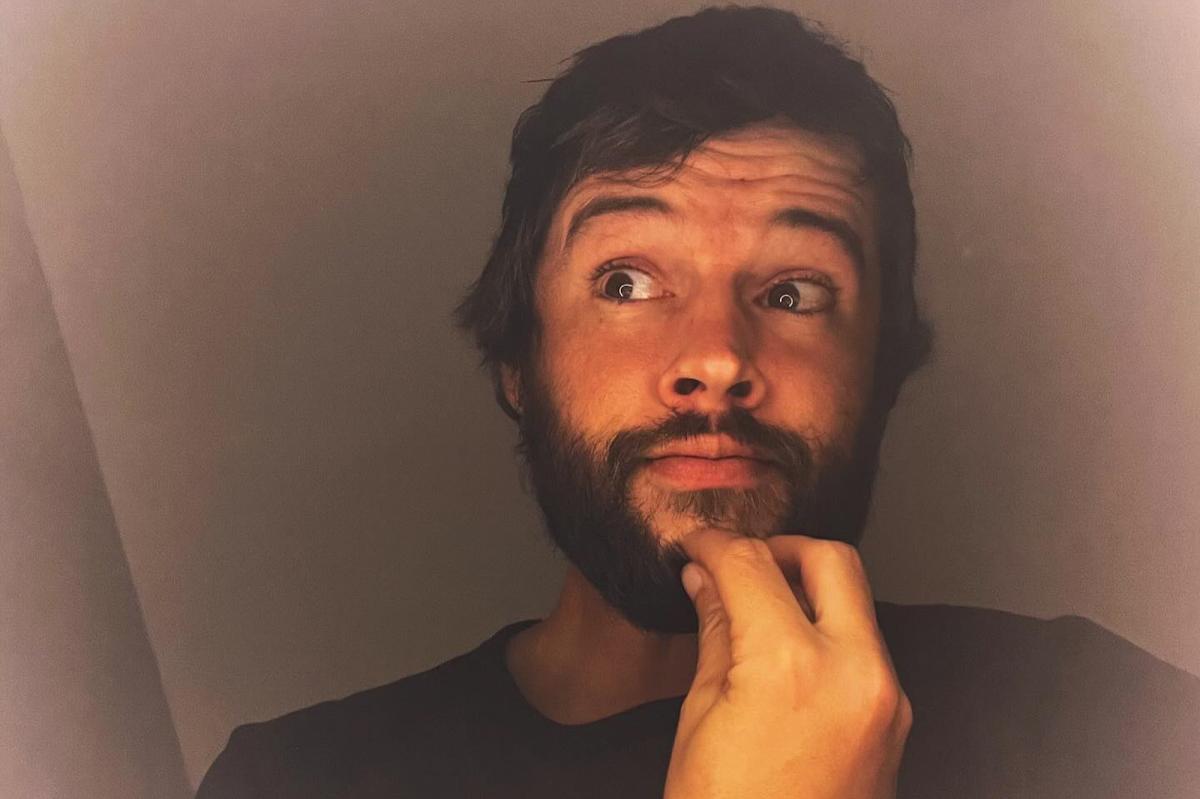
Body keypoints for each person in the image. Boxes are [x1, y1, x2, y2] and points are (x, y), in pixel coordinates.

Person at [196, 7, 1199, 798]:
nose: (717, 357)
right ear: (517, 361)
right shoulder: (291, 781)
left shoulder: (1104, 720)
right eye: (627, 282)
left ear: (883, 372)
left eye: (795, 293)